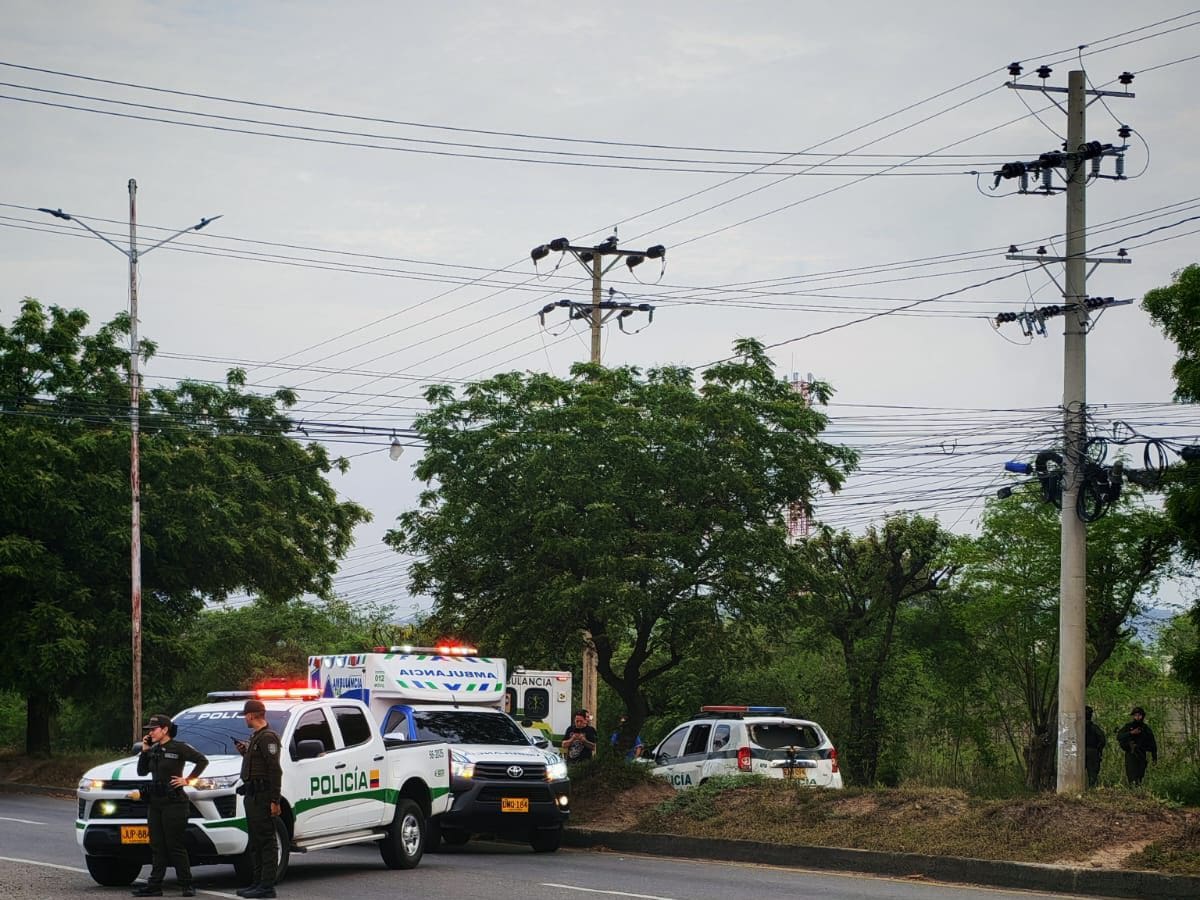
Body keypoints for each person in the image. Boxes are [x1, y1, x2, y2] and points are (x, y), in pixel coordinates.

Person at [131, 714, 208, 898]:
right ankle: (155, 885)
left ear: (165, 729)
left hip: (175, 803)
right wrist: (145, 750)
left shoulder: (178, 748)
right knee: (157, 845)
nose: (150, 732)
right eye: (149, 730)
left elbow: (202, 760)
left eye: (153, 729)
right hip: (156, 803)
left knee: (174, 845)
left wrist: (187, 780)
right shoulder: (153, 750)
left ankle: (187, 884)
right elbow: (142, 772)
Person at [234, 699, 283, 899]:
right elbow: (259, 765)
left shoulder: (267, 738)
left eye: (246, 715)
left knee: (266, 841)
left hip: (263, 797)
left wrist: (275, 800)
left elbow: (274, 770)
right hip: (253, 795)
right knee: (255, 841)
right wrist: (245, 752)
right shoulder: (256, 738)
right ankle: (257, 882)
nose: (245, 718)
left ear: (253, 715)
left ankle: (267, 885)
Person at [1116, 706, 1158, 787]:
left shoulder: (1146, 729)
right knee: (1131, 776)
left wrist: (1154, 758)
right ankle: (1133, 791)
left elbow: (1153, 744)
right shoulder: (1128, 726)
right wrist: (1131, 733)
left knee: (1140, 777)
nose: (1137, 717)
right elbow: (1119, 736)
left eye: (1139, 715)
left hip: (1141, 754)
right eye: (1135, 715)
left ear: (1142, 716)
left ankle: (1138, 792)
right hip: (1130, 754)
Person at [1084, 706, 1106, 788]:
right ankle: (1091, 788)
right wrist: (1098, 750)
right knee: (1092, 773)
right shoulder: (1095, 728)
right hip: (1092, 752)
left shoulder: (1077, 727)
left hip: (1084, 752)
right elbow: (1102, 740)